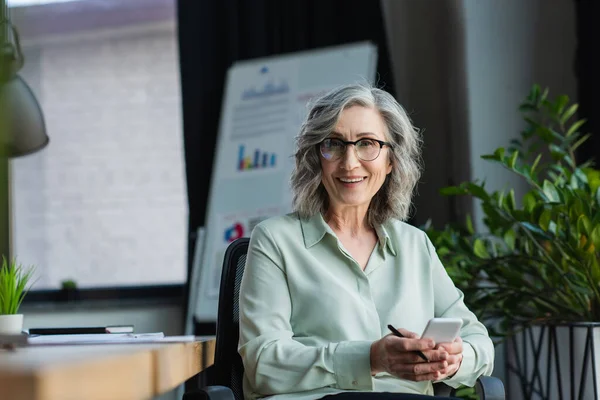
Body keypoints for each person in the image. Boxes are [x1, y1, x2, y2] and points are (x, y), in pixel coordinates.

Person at [238, 83, 495, 400]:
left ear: (391, 161)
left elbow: (479, 342)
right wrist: (371, 358)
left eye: (367, 144)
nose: (349, 162)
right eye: (333, 144)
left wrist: (455, 360)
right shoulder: (275, 240)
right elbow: (263, 364)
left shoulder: (415, 245)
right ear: (316, 158)